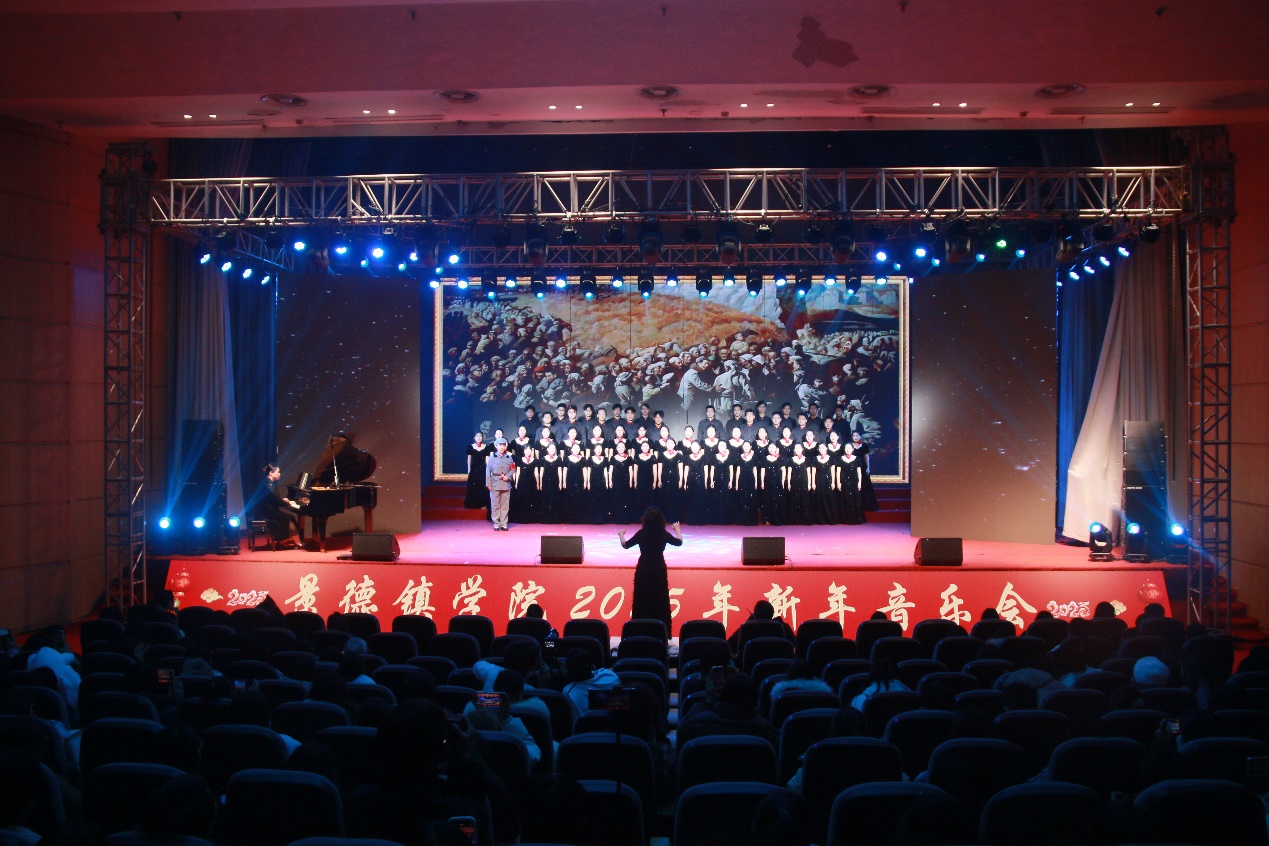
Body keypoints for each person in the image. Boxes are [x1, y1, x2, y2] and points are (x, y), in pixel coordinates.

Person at [618, 507, 683, 632]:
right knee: (660, 598)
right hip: (659, 568)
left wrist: (621, 534)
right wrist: (677, 529)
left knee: (641, 597)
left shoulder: (642, 534)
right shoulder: (663, 534)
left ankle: (639, 629)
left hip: (644, 567)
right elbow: (679, 542)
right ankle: (661, 630)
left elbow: (625, 545)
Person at [561, 648, 621, 720]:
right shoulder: (611, 675)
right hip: (615, 724)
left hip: (587, 726)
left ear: (569, 672)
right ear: (592, 665)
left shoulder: (568, 692)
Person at [259, 463, 303, 546]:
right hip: (268, 512)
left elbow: (273, 499)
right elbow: (275, 500)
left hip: (268, 510)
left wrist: (283, 500)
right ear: (271, 473)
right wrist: (287, 502)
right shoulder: (269, 484)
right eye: (278, 472)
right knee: (291, 517)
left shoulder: (268, 483)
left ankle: (283, 540)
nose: (279, 474)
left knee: (287, 516)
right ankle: (297, 542)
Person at [485, 437, 516, 531]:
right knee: (495, 505)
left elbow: (513, 469)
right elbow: (488, 471)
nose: (502, 447)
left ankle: (504, 523)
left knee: (505, 505)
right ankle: (496, 523)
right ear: (496, 446)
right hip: (495, 483)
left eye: (503, 445)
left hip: (506, 484)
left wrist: (508, 476)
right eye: (500, 445)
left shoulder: (509, 458)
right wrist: (488, 484)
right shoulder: (492, 458)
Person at [464, 432, 491, 513]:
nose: (479, 438)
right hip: (474, 469)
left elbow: (487, 460)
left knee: (482, 486)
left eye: (480, 436)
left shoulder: (486, 447)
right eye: (477, 436)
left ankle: (483, 504)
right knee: (473, 486)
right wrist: (469, 469)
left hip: (483, 469)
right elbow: (469, 459)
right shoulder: (470, 446)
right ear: (474, 438)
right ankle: (473, 504)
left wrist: (488, 469)